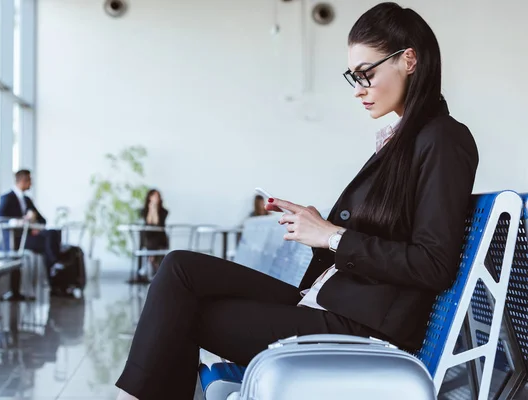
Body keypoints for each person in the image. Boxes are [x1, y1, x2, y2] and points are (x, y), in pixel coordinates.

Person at [115, 3, 479, 399]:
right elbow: (387, 230)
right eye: (352, 77)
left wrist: (333, 236)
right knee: (180, 268)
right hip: (335, 300)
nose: (358, 90)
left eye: (366, 75)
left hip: (364, 325)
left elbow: (434, 264)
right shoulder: (404, 141)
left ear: (409, 59)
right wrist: (315, 224)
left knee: (182, 314)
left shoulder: (443, 139)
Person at [0, 169, 63, 300]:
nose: (31, 184)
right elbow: (1, 219)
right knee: (49, 242)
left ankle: (55, 275)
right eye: (29, 180)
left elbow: (42, 220)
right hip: (14, 239)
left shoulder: (27, 200)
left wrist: (34, 224)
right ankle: (54, 265)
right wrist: (22, 221)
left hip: (28, 237)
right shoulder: (7, 198)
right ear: (22, 180)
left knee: (53, 234)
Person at [140, 189, 169, 275]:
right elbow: (148, 224)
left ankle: (151, 259)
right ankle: (152, 261)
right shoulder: (143, 211)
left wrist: (155, 210)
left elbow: (157, 224)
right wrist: (151, 210)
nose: (156, 198)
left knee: (154, 238)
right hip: (149, 237)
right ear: (150, 197)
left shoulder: (164, 211)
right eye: (154, 196)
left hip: (160, 238)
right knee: (149, 236)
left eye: (158, 196)